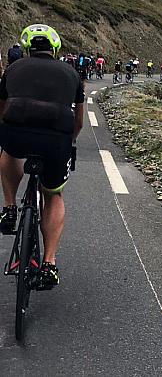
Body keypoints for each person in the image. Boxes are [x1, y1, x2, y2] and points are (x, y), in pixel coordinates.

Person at [0, 24, 84, 289]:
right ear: (55, 49)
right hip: (55, 141)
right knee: (53, 195)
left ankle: (10, 208)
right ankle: (48, 264)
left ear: (26, 48)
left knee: (8, 152)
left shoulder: (13, 69)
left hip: (17, 135)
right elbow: (78, 123)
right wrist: (67, 143)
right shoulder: (72, 73)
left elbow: (1, 111)